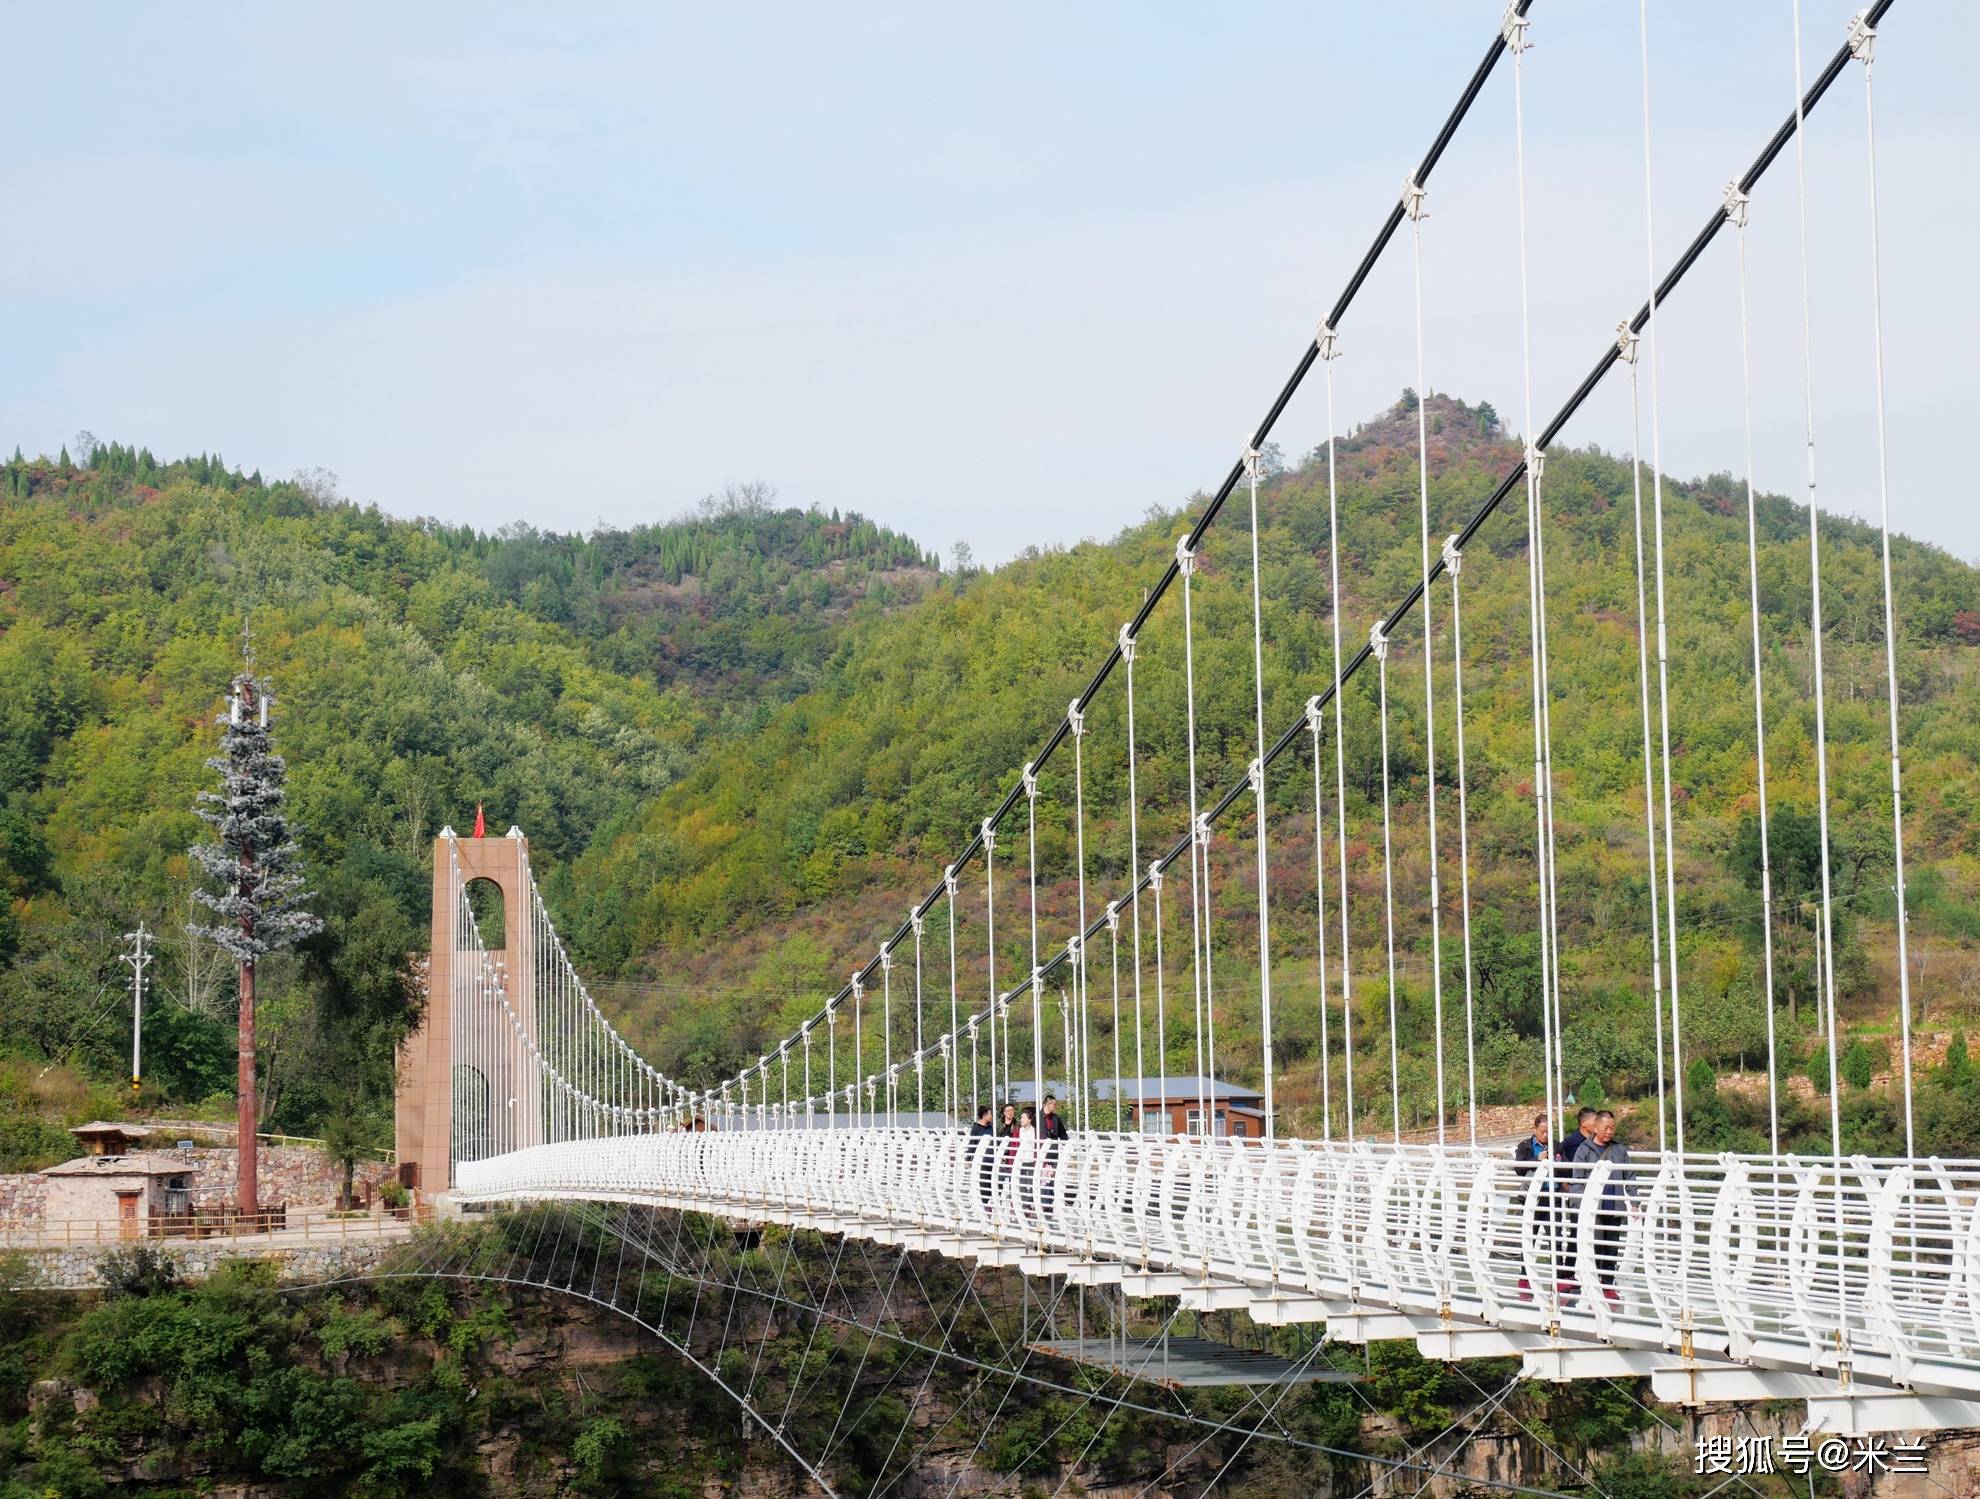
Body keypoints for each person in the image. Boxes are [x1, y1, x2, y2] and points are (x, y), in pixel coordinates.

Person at [1572, 1110, 1640, 1300]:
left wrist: (1634, 1202)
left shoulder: (1619, 1150)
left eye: (1612, 1127)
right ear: (1596, 1127)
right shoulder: (1584, 1150)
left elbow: (1630, 1176)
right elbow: (1576, 1181)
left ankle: (1608, 1285)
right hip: (1594, 1210)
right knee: (1595, 1247)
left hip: (1614, 1206)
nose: (1609, 1132)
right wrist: (1581, 1206)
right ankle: (1594, 1285)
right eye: (1605, 1128)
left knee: (1611, 1247)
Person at [969, 1105, 995, 1212]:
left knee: (991, 1182)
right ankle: (984, 1205)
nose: (992, 1116)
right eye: (990, 1114)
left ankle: (990, 1204)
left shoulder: (991, 1128)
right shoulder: (976, 1128)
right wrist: (969, 1159)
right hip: (981, 1160)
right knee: (983, 1182)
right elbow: (972, 1143)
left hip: (991, 1159)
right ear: (984, 1115)